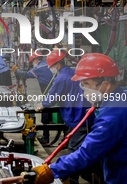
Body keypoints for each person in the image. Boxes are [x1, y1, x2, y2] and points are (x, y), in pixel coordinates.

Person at [32, 53, 127, 184]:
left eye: (87, 84)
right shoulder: (121, 96)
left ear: (106, 85)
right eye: (82, 85)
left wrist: (52, 171)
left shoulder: (111, 118)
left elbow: (87, 153)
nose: (84, 90)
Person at [39, 50, 95, 184]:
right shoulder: (74, 72)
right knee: (84, 147)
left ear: (57, 64)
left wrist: (41, 104)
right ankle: (87, 174)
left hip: (77, 118)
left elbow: (50, 100)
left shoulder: (60, 78)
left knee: (74, 149)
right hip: (87, 116)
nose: (51, 69)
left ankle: (74, 180)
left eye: (52, 66)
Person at [12, 52, 54, 145]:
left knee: (45, 116)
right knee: (55, 116)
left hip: (49, 92)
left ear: (36, 60)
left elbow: (27, 74)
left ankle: (45, 138)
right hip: (52, 91)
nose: (32, 65)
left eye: (32, 62)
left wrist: (16, 71)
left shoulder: (39, 68)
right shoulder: (46, 65)